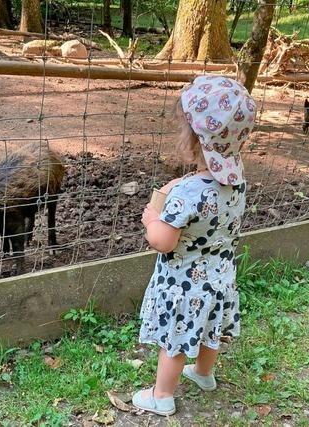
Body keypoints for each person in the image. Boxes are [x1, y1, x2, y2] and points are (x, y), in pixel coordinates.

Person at [133, 75, 256, 416]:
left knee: (175, 338)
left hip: (183, 285)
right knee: (209, 327)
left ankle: (162, 396)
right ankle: (203, 374)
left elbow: (162, 241)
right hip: (219, 277)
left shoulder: (187, 195)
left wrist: (151, 220)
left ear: (194, 140)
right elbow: (211, 206)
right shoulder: (237, 178)